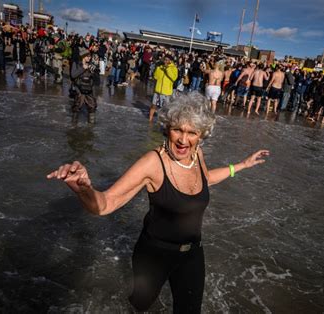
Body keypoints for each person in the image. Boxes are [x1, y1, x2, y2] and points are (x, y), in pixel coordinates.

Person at [47, 92, 270, 312]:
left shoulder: (196, 155)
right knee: (141, 305)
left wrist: (241, 165)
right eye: (177, 130)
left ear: (201, 135)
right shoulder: (152, 163)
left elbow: (205, 179)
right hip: (154, 255)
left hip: (192, 253)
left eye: (192, 132)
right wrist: (84, 189)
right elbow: (105, 204)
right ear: (167, 128)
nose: (183, 140)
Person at [70, 48, 97, 123]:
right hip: (79, 89)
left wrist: (94, 71)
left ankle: (91, 128)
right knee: (77, 107)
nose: (90, 57)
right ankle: (73, 127)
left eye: (90, 56)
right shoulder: (76, 63)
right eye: (88, 56)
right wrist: (83, 68)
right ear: (83, 56)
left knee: (92, 107)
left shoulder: (91, 65)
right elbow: (73, 75)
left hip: (89, 90)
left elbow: (95, 80)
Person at [148, 54, 178, 122]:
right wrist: (157, 68)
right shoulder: (160, 66)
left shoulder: (174, 68)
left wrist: (167, 69)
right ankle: (150, 120)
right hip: (157, 90)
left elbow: (173, 78)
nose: (165, 61)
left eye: (167, 60)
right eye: (165, 59)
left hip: (166, 92)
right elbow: (155, 77)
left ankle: (163, 122)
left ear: (170, 61)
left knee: (164, 108)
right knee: (153, 105)